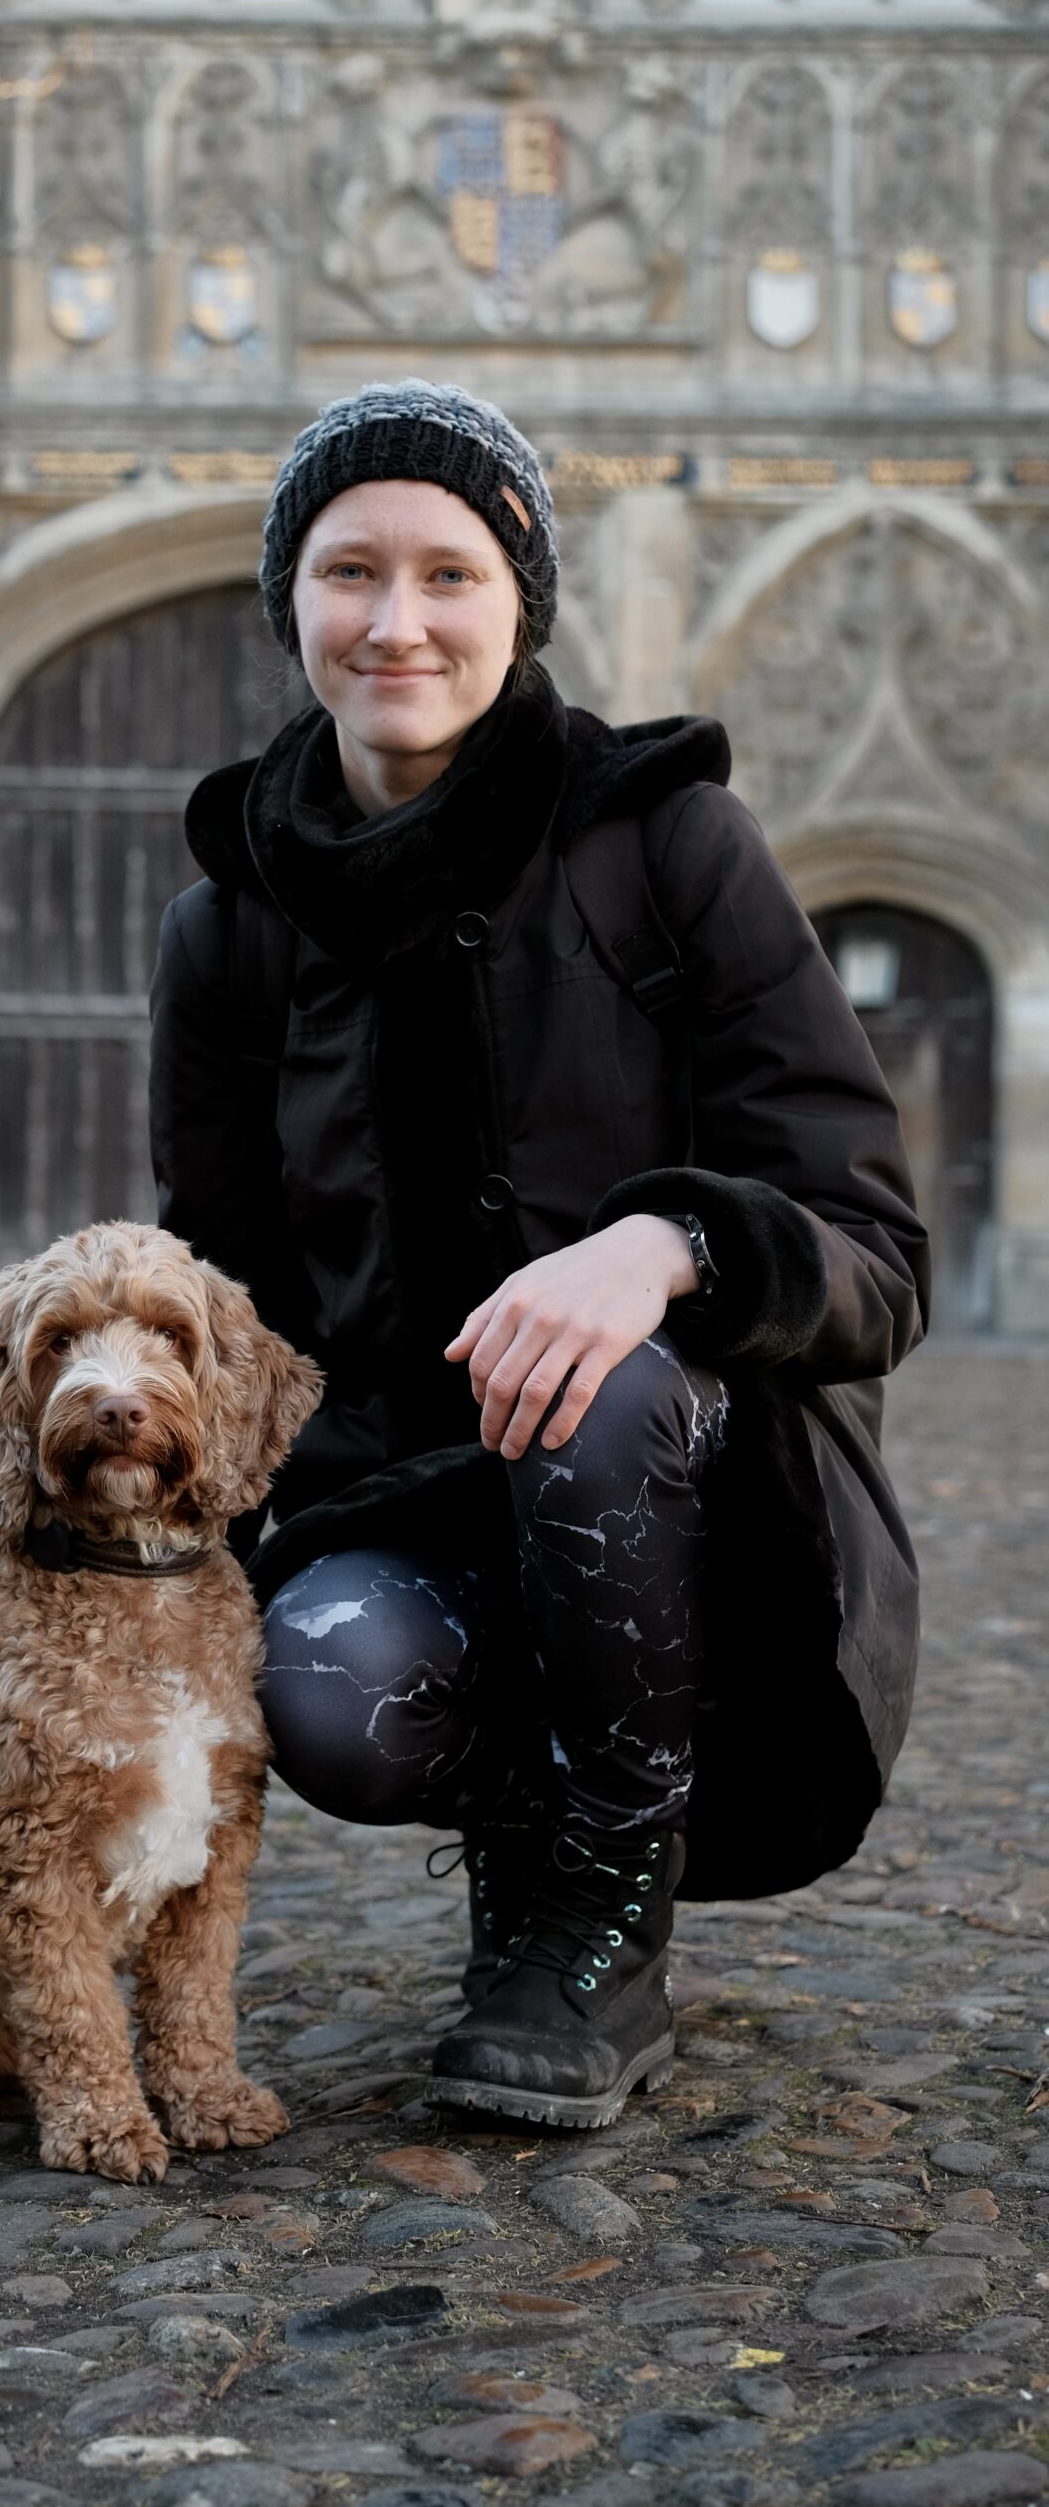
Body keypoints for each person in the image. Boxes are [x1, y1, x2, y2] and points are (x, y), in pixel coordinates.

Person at [148, 381, 929, 2131]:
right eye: (351, 573)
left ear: (521, 603)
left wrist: (663, 1245)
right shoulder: (231, 932)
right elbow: (226, 1309)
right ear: (291, 602)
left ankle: (604, 1918)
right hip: (407, 1508)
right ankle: (525, 1842)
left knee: (582, 1389)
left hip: (708, 1502)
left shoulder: (669, 848)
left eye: (451, 574)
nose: (398, 621)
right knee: (326, 1686)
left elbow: (879, 1249)